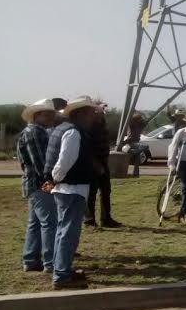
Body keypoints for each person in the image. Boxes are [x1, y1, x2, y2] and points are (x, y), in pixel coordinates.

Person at [42, 96, 97, 289]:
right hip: (71, 188)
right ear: (81, 113)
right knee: (68, 233)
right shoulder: (74, 132)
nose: (93, 116)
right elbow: (65, 161)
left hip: (65, 188)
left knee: (62, 231)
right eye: (90, 113)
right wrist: (56, 179)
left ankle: (61, 269)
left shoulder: (62, 129)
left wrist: (54, 180)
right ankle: (61, 276)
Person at [17, 98, 59, 273]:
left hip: (35, 184)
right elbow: (40, 163)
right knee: (49, 222)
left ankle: (31, 259)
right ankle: (50, 262)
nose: (50, 117)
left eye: (51, 113)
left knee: (35, 223)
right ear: (36, 115)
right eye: (46, 114)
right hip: (40, 184)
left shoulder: (36, 131)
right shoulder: (34, 133)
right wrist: (51, 181)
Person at [84, 101, 121, 228]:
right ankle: (89, 219)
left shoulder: (102, 123)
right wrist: (96, 164)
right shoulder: (90, 125)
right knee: (92, 192)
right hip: (94, 162)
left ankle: (106, 218)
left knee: (106, 190)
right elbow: (88, 148)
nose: (103, 111)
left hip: (104, 161)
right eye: (101, 109)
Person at [123, 112, 146, 178]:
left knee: (136, 159)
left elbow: (144, 122)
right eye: (139, 119)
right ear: (136, 119)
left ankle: (135, 174)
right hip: (131, 142)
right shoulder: (132, 125)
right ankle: (134, 174)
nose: (140, 120)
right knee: (143, 148)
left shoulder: (139, 125)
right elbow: (130, 119)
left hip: (135, 142)